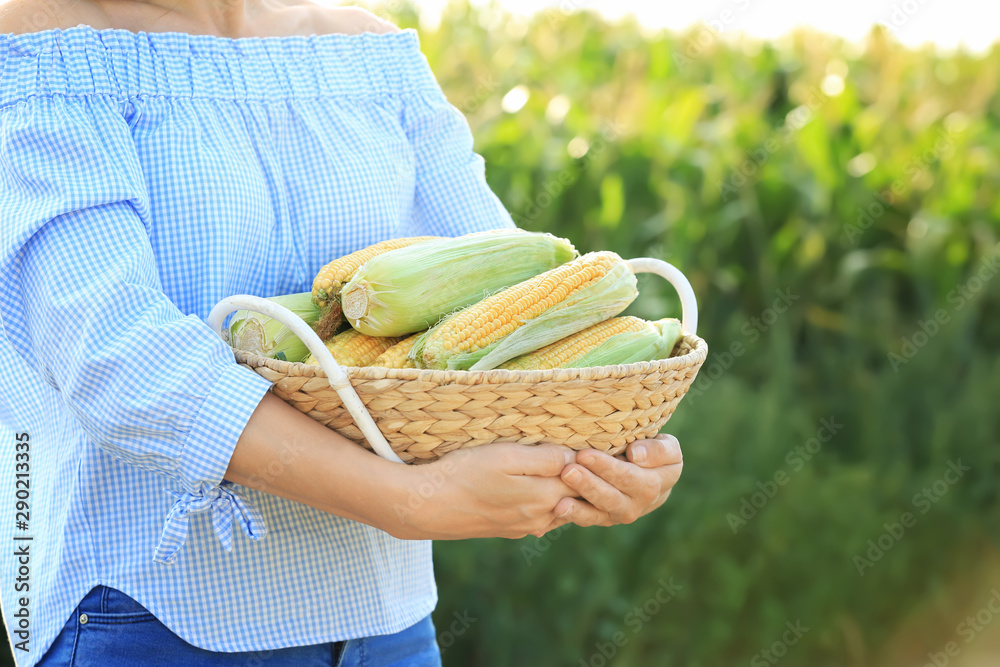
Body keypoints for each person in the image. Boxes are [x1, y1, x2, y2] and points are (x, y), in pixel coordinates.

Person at [0, 1, 685, 665]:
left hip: (387, 626)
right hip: (154, 622)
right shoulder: (40, 46)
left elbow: (511, 300)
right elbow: (122, 361)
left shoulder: (371, 56)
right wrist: (414, 502)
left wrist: (599, 452)